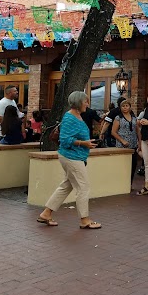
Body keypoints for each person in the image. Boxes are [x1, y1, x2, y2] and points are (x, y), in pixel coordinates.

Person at [36, 91, 101, 229]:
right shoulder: (70, 117)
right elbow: (64, 140)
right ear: (78, 103)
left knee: (66, 186)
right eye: (86, 101)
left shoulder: (77, 116)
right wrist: (84, 143)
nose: (87, 104)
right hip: (72, 157)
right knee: (83, 187)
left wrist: (86, 143)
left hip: (75, 156)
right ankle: (85, 220)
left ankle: (46, 213)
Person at [111, 100, 138, 184]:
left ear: (130, 107)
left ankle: (130, 183)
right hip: (122, 145)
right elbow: (113, 132)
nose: (125, 107)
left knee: (133, 165)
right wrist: (122, 140)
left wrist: (139, 142)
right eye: (123, 106)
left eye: (127, 106)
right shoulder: (118, 118)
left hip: (133, 144)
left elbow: (137, 130)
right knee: (123, 165)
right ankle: (121, 183)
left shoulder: (134, 118)